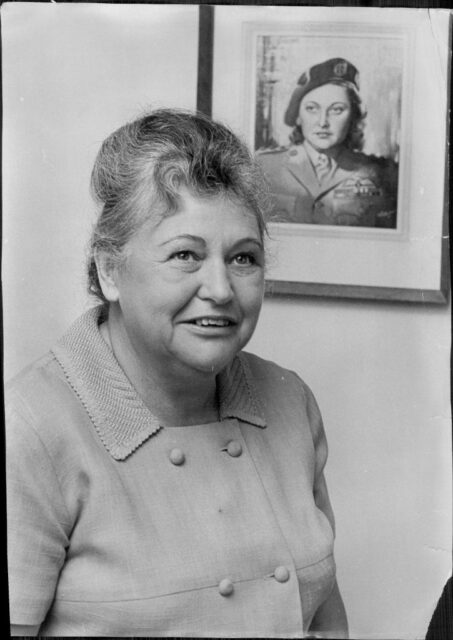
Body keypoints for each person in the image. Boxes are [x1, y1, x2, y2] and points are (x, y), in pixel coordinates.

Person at [7, 108, 348, 637]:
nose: (220, 289)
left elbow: (327, 618)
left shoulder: (289, 400)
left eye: (243, 259)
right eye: (186, 254)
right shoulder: (29, 427)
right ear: (109, 270)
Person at [257, 57, 398, 227]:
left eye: (337, 109)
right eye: (312, 108)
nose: (323, 122)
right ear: (298, 116)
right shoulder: (264, 167)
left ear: (353, 116)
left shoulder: (380, 175)